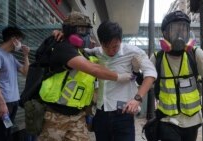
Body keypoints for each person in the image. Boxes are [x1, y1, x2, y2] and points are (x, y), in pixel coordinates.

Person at [37, 11, 133, 141]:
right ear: (69, 31)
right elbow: (94, 69)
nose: (86, 35)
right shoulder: (62, 48)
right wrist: (120, 77)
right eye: (81, 30)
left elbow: (101, 62)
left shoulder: (82, 53)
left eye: (87, 30)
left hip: (78, 116)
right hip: (55, 116)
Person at [150, 11, 203, 141]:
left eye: (183, 30)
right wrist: (137, 73)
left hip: (192, 120)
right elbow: (144, 80)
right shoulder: (157, 58)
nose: (179, 35)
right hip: (167, 119)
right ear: (165, 33)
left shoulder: (195, 54)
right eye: (175, 30)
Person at [84, 21, 157, 141]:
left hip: (123, 114)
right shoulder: (97, 52)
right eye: (106, 47)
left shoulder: (133, 52)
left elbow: (151, 74)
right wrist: (59, 35)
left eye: (115, 46)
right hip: (101, 113)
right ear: (101, 42)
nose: (111, 51)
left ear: (120, 40)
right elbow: (76, 51)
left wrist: (137, 99)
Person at [0, 26, 30, 141]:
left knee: (7, 131)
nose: (20, 43)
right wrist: (2, 103)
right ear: (13, 39)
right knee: (1, 134)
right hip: (4, 103)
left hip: (13, 101)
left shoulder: (10, 56)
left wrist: (25, 55)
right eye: (19, 40)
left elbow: (26, 72)